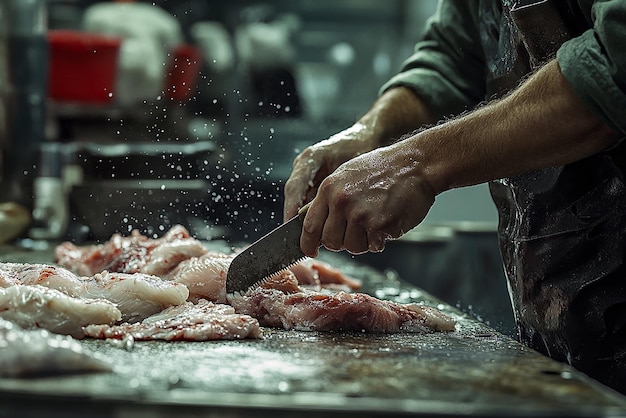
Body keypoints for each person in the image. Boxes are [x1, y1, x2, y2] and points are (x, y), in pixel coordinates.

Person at [283, 1, 626, 394]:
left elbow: (614, 65)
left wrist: (415, 164)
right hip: (561, 321)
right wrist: (369, 134)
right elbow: (451, 59)